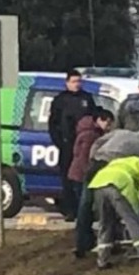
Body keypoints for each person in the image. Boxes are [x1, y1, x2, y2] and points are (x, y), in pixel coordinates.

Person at [73, 123, 139, 258]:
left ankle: (83, 244)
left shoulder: (121, 132)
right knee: (124, 213)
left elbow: (98, 142)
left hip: (95, 166)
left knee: (87, 206)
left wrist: (93, 157)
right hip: (114, 176)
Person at [88, 155, 139, 269]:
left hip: (98, 184)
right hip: (118, 184)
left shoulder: (120, 161)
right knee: (132, 221)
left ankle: (102, 261)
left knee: (105, 224)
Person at [48, 69, 96, 221]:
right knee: (67, 179)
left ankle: (85, 211)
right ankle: (70, 210)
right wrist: (59, 142)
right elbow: (53, 124)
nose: (77, 84)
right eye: (74, 82)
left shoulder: (87, 98)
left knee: (84, 178)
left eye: (79, 81)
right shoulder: (60, 100)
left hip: (85, 147)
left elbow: (94, 119)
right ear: (67, 83)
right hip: (67, 145)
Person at [68, 108, 114, 225]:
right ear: (99, 120)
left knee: (83, 203)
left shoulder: (88, 132)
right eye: (107, 123)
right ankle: (82, 226)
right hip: (82, 174)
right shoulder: (91, 136)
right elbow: (84, 157)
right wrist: (89, 173)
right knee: (84, 204)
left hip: (77, 172)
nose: (109, 128)